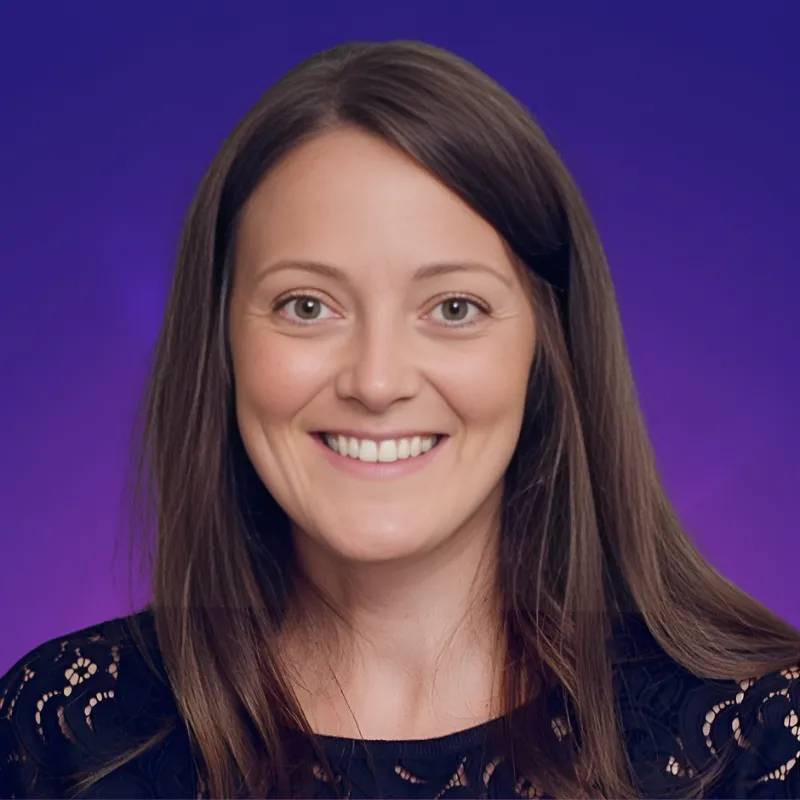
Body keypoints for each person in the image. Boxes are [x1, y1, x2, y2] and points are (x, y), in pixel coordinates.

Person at [0, 39, 798, 800]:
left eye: (454, 307)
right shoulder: (62, 738)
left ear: (548, 346)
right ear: (221, 343)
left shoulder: (755, 739)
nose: (377, 381)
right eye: (307, 305)